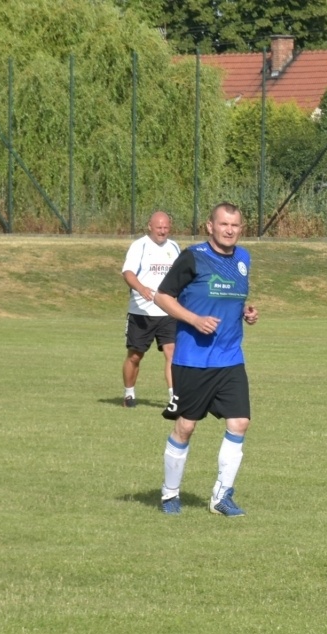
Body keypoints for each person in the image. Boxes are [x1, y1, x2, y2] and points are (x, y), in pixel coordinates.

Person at [150, 203, 259, 516]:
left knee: (240, 422)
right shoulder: (193, 257)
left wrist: (246, 312)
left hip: (230, 357)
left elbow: (229, 297)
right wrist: (194, 320)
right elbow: (162, 296)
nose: (229, 230)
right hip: (193, 359)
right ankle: (170, 494)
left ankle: (221, 496)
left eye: (235, 225)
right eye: (223, 224)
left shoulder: (243, 259)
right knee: (186, 427)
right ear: (209, 225)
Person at [120, 211, 180, 407]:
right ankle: (129, 393)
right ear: (150, 226)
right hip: (142, 313)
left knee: (172, 353)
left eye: (166, 228)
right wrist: (141, 288)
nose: (162, 231)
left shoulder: (174, 247)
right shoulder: (140, 246)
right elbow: (128, 273)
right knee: (135, 356)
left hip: (168, 311)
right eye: (159, 227)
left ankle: (174, 398)